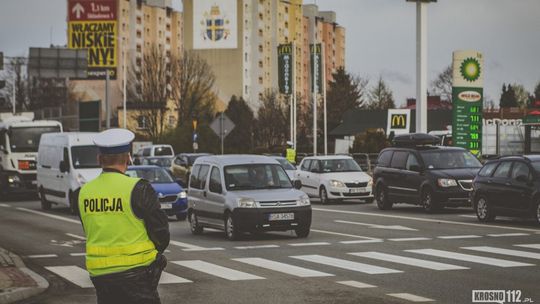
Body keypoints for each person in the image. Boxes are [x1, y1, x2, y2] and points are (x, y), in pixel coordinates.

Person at [76, 129, 170, 304]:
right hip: (137, 275)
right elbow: (161, 232)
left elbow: (89, 229)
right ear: (128, 158)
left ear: (99, 159)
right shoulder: (139, 188)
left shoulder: (84, 192)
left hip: (100, 276)